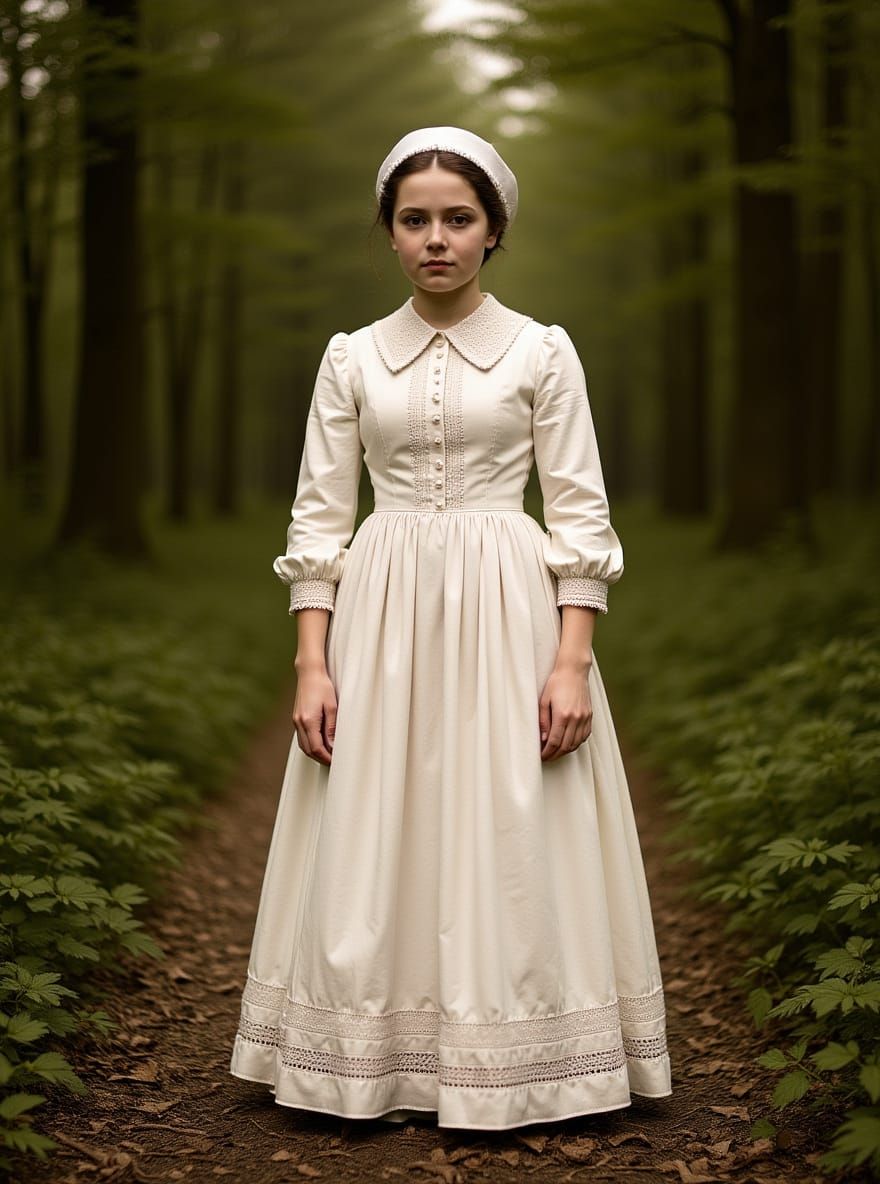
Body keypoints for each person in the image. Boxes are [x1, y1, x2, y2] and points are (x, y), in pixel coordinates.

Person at [229, 126, 672, 1130]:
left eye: (457, 219)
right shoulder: (350, 359)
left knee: (512, 824)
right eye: (415, 218)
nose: (436, 237)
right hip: (379, 612)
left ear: (492, 232)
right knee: (375, 819)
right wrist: (311, 661)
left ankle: (525, 1056)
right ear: (388, 233)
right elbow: (315, 520)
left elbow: (580, 515)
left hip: (510, 609)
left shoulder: (541, 352)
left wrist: (570, 658)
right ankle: (369, 1061)